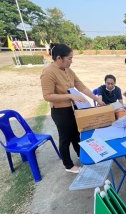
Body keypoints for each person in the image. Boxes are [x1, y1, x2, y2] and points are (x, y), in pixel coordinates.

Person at [41, 43, 105, 174]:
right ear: (59, 58)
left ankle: (80, 154)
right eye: (69, 58)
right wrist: (70, 96)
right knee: (65, 138)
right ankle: (68, 165)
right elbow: (47, 96)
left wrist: (97, 98)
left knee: (76, 133)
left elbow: (80, 85)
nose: (71, 61)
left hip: (73, 108)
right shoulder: (48, 73)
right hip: (60, 111)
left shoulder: (68, 70)